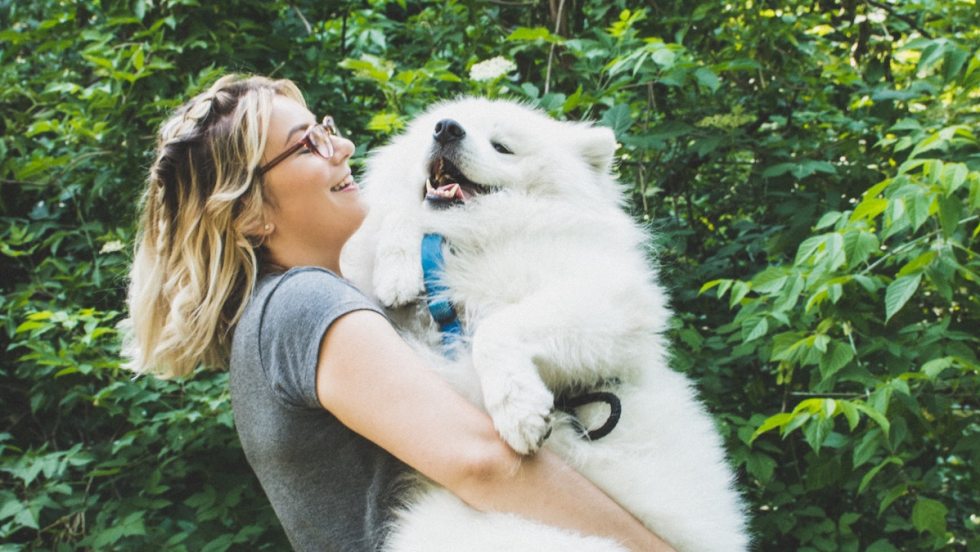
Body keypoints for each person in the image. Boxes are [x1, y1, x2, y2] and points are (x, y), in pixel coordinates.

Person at [124, 74, 675, 552]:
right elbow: (481, 461)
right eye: (306, 146)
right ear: (250, 214)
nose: (340, 146)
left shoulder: (289, 308)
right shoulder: (304, 303)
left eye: (325, 128)